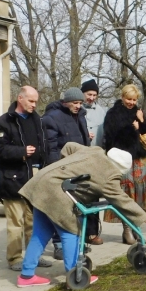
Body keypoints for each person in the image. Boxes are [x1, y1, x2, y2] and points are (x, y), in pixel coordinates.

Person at [16, 144, 146, 287]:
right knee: (71, 230)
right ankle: (75, 273)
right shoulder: (109, 176)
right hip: (55, 195)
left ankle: (26, 276)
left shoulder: (94, 150)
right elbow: (121, 199)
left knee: (40, 234)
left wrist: (65, 171)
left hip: (40, 184)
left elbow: (68, 146)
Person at [0, 86, 52, 271]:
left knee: (34, 221)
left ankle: (34, 255)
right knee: (16, 222)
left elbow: (45, 146)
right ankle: (15, 258)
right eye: (31, 101)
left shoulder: (37, 121)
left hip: (35, 178)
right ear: (20, 98)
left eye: (36, 101)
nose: (34, 105)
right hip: (13, 178)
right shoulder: (3, 123)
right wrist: (21, 152)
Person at [43, 87, 101, 247]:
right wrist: (57, 170)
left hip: (79, 168)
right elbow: (51, 148)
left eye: (80, 103)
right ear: (65, 102)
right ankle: (59, 244)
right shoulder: (52, 118)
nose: (78, 106)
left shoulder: (81, 116)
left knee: (77, 208)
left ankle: (77, 243)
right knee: (61, 209)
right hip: (62, 169)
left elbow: (85, 142)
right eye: (75, 103)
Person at [102, 84, 146, 244]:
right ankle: (126, 229)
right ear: (122, 97)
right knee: (126, 194)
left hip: (138, 158)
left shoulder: (138, 112)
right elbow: (111, 138)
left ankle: (135, 226)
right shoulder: (112, 114)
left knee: (139, 193)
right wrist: (132, 129)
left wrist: (141, 122)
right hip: (121, 158)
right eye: (128, 99)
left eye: (134, 99)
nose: (131, 102)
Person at [81, 78, 107, 147]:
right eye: (89, 94)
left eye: (94, 95)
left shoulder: (102, 112)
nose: (92, 98)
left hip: (97, 152)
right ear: (82, 93)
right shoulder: (76, 110)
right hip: (79, 152)